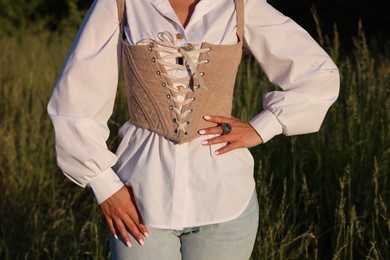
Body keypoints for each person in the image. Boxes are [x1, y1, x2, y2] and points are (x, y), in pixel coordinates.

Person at [48, 0, 339, 259]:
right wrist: (104, 186)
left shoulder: (239, 5)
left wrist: (262, 127)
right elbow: (75, 101)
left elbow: (318, 74)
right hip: (140, 200)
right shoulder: (121, 4)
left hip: (226, 201)